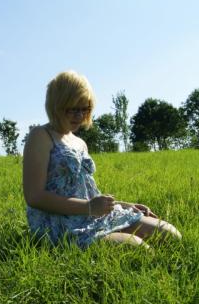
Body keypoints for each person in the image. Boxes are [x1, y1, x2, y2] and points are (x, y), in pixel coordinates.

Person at [23, 70, 181, 250]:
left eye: (85, 108)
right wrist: (89, 207)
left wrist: (124, 205)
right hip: (59, 224)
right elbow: (34, 197)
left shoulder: (80, 143)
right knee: (139, 248)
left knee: (170, 234)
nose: (80, 116)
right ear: (56, 105)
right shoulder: (41, 136)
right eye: (73, 109)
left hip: (90, 214)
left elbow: (85, 193)